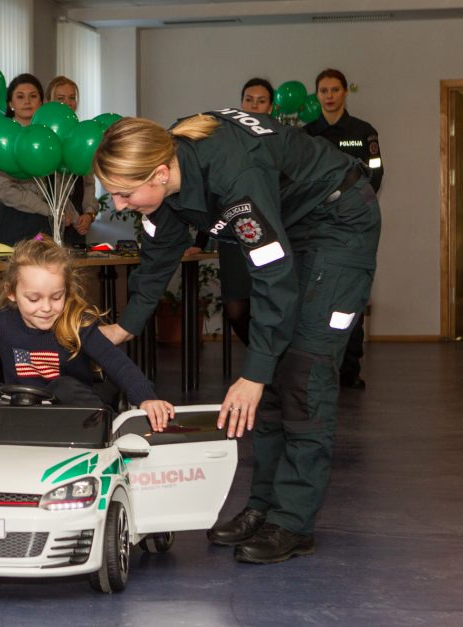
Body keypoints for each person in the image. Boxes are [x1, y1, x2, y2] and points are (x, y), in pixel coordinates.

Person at [92, 110, 380, 564]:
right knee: (266, 378)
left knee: (303, 370)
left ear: (160, 173)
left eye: (125, 194)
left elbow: (274, 274)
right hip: (289, 223)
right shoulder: (168, 168)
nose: (121, 205)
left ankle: (293, 520)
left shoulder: (233, 177)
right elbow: (162, 247)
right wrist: (127, 324)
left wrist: (254, 372)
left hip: (338, 222)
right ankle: (263, 505)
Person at [0, 237, 175, 430]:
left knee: (64, 386)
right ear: (11, 293)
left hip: (75, 415)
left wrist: (147, 399)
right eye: (34, 299)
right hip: (20, 413)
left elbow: (117, 362)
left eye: (56, 297)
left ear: (67, 292)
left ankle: (107, 429)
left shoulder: (77, 325)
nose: (46, 307)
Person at [304, 68, 384, 390]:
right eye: (323, 90)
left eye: (335, 89)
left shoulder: (364, 131)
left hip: (355, 225)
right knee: (315, 296)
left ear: (344, 92)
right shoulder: (307, 134)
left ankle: (349, 369)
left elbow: (377, 174)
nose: (329, 95)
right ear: (317, 94)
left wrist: (356, 204)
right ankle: (313, 367)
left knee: (350, 295)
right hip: (317, 225)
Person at [187, 78, 275, 345]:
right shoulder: (226, 137)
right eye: (249, 99)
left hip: (271, 234)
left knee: (268, 306)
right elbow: (212, 193)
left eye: (261, 101)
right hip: (233, 236)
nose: (254, 105)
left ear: (270, 107)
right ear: (241, 103)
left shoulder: (279, 138)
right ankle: (262, 359)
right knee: (236, 309)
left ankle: (270, 368)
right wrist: (199, 242)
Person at [0, 74, 73, 246]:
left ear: (41, 102)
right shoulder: (4, 138)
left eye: (33, 96)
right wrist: (48, 209)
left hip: (49, 222)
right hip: (16, 220)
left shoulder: (50, 135)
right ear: (11, 104)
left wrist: (69, 212)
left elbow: (55, 181)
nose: (27, 101)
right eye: (20, 97)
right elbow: (4, 190)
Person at [46, 76, 98, 248]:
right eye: (61, 99)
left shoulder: (81, 134)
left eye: (72, 98)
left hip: (78, 222)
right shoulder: (46, 137)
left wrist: (89, 214)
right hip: (52, 217)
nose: (68, 103)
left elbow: (89, 179)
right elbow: (54, 184)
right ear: (49, 102)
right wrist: (74, 217)